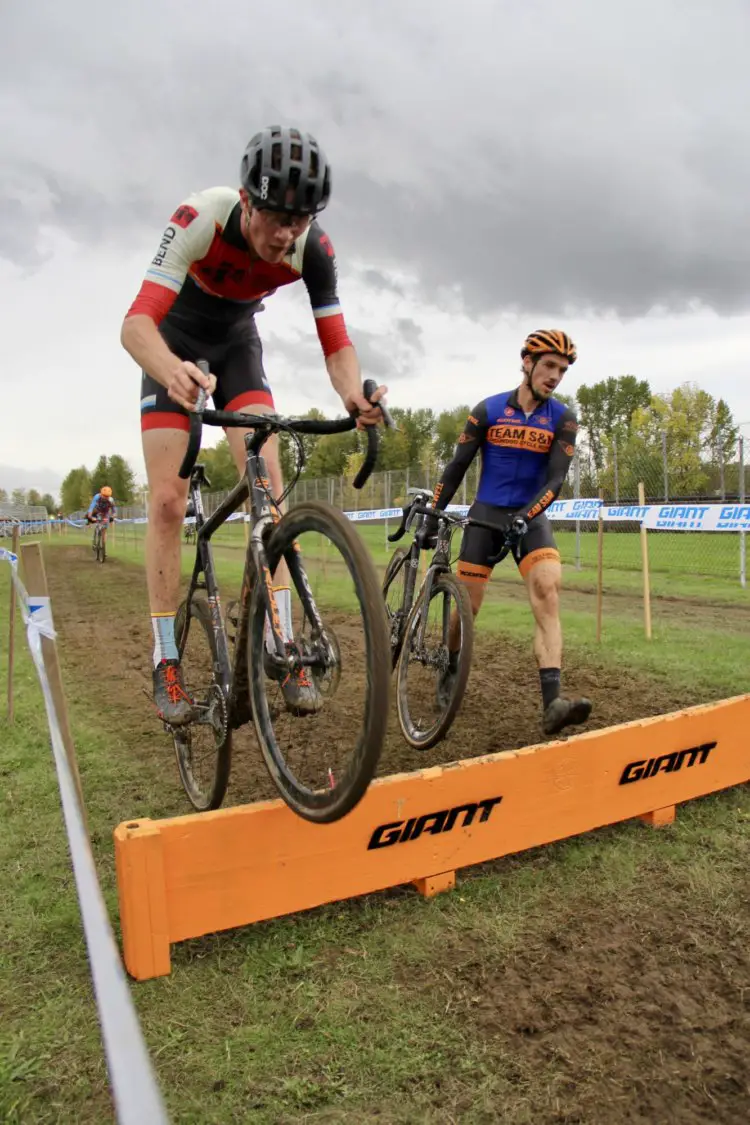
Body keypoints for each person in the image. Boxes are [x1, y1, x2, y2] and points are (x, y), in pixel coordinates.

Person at [120, 126, 386, 726]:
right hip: (173, 342)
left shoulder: (312, 250)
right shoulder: (201, 218)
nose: (287, 233)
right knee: (167, 500)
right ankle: (165, 660)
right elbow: (135, 326)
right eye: (276, 217)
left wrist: (352, 395)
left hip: (238, 346)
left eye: (301, 219)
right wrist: (172, 371)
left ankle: (284, 646)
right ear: (246, 200)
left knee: (268, 483)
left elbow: (337, 342)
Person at [421, 329, 592, 737]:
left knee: (548, 589)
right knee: (467, 609)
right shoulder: (489, 410)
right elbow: (456, 467)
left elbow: (555, 481)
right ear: (528, 363)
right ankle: (451, 664)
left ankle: (552, 702)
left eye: (562, 370)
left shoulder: (563, 419)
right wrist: (432, 514)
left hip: (530, 517)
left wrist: (526, 516)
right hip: (485, 517)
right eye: (549, 366)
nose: (555, 376)